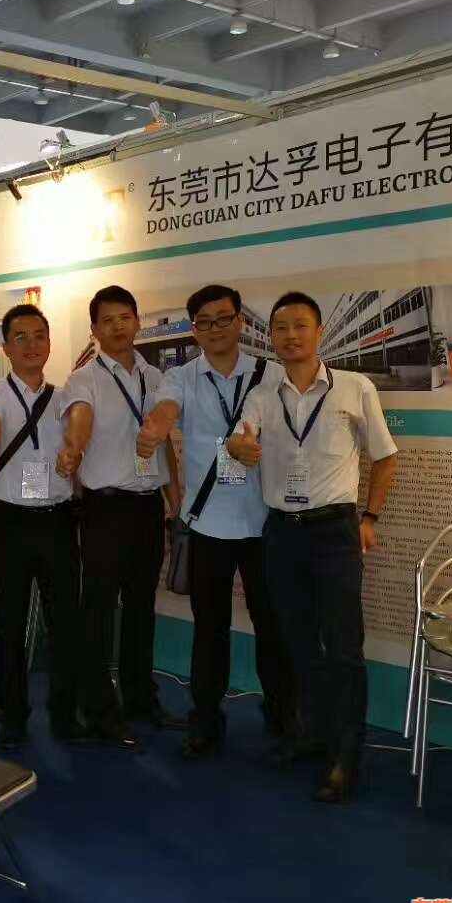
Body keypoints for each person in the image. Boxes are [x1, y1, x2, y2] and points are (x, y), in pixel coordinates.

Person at [228, 291, 398, 803]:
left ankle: (346, 754)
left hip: (334, 533)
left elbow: (385, 456)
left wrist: (370, 517)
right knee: (296, 641)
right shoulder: (263, 395)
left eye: (300, 325)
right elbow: (238, 440)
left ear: (319, 332)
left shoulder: (354, 387)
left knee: (343, 646)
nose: (290, 336)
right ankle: (311, 734)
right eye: (280, 328)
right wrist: (239, 447)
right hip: (282, 533)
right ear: (271, 337)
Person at [137, 284, 295, 760]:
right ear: (194, 330)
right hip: (206, 524)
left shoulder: (270, 374)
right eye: (204, 322)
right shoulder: (181, 377)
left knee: (273, 627)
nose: (215, 329)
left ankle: (283, 717)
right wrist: (157, 426)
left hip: (264, 523)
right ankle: (205, 720)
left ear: (239, 322)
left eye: (224, 318)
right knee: (210, 629)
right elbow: (166, 407)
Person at [0, 304, 131, 751]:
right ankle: (13, 717)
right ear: (6, 348)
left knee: (65, 623)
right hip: (10, 520)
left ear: (49, 343)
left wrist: (73, 451)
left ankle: (65, 715)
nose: (31, 345)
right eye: (20, 337)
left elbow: (79, 421)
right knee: (9, 623)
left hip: (58, 520)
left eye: (39, 336)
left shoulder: (64, 395)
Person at [61, 284, 183, 739]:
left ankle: (139, 697)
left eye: (125, 318)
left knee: (141, 607)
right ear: (94, 329)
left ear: (137, 321)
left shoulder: (155, 377)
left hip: (147, 507)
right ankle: (98, 709)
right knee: (98, 610)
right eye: (107, 320)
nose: (117, 327)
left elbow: (162, 442)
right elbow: (80, 419)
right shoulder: (84, 380)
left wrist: (175, 500)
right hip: (105, 510)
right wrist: (74, 448)